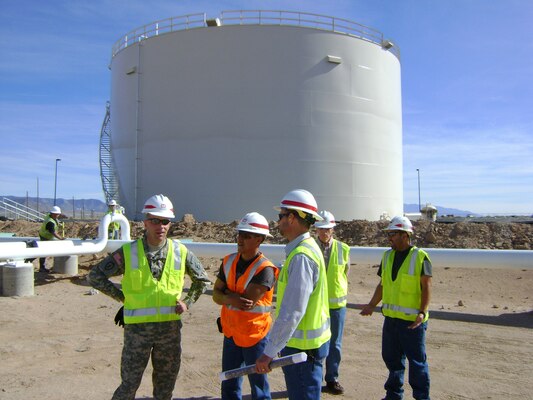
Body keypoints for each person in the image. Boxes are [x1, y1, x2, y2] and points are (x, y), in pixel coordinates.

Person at [87, 194, 211, 400]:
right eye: (155, 221)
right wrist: (122, 297)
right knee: (129, 386)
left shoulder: (180, 252)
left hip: (169, 332)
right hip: (137, 332)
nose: (160, 226)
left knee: (164, 388)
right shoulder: (129, 252)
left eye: (165, 221)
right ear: (145, 222)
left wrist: (187, 302)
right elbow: (95, 276)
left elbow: (202, 281)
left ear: (170, 224)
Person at [255, 189, 331, 400]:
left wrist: (268, 352)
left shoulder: (301, 257)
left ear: (292, 218)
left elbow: (292, 311)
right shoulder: (308, 248)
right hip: (308, 347)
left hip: (303, 351)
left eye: (281, 216)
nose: (277, 222)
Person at [360, 216, 432, 400]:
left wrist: (422, 312)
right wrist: (371, 305)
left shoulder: (420, 257)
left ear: (405, 235)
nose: (389, 237)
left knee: (417, 363)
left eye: (392, 234)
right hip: (391, 320)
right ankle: (394, 394)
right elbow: (383, 284)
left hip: (412, 323)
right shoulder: (387, 256)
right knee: (392, 360)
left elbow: (426, 287)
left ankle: (422, 397)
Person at [213, 212, 279, 400]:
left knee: (259, 388)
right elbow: (216, 296)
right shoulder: (228, 261)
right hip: (231, 334)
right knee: (229, 383)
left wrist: (225, 294)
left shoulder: (265, 269)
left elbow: (247, 303)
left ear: (259, 239)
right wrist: (231, 298)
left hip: (254, 337)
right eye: (240, 234)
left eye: (247, 235)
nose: (240, 239)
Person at [314, 211, 350, 395]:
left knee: (335, 344)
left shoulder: (343, 248)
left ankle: (332, 379)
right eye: (321, 229)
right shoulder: (311, 247)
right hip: (316, 305)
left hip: (336, 306)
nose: (324, 232)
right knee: (317, 341)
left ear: (332, 229)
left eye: (327, 229)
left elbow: (344, 274)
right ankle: (316, 379)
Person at [38, 205, 64, 273]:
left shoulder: (50, 216)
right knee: (43, 252)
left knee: (45, 252)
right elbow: (53, 232)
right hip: (45, 237)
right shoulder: (50, 222)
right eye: (56, 214)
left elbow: (55, 221)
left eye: (58, 214)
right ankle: (42, 268)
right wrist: (60, 238)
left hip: (46, 235)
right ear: (53, 213)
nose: (57, 216)